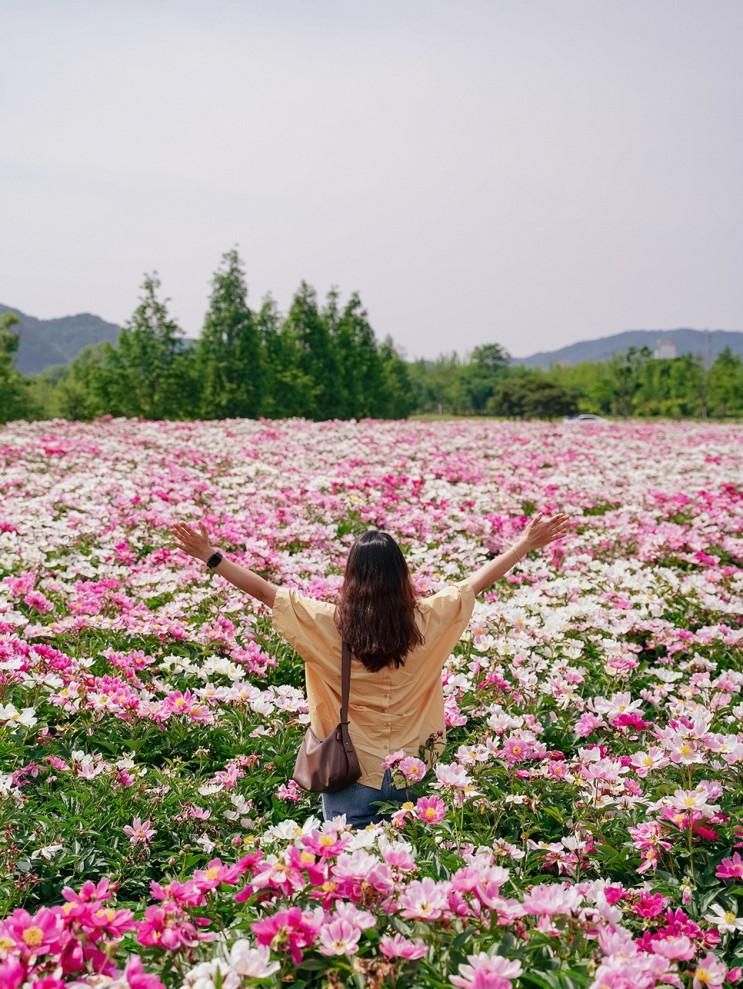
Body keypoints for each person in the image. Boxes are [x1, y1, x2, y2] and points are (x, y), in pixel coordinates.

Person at [170, 511, 571, 828]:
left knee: (349, 883)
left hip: (350, 774)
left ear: (352, 578)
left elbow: (264, 592)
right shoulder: (427, 621)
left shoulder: (328, 624)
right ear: (402, 576)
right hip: (411, 771)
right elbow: (476, 583)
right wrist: (526, 544)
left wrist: (211, 555)